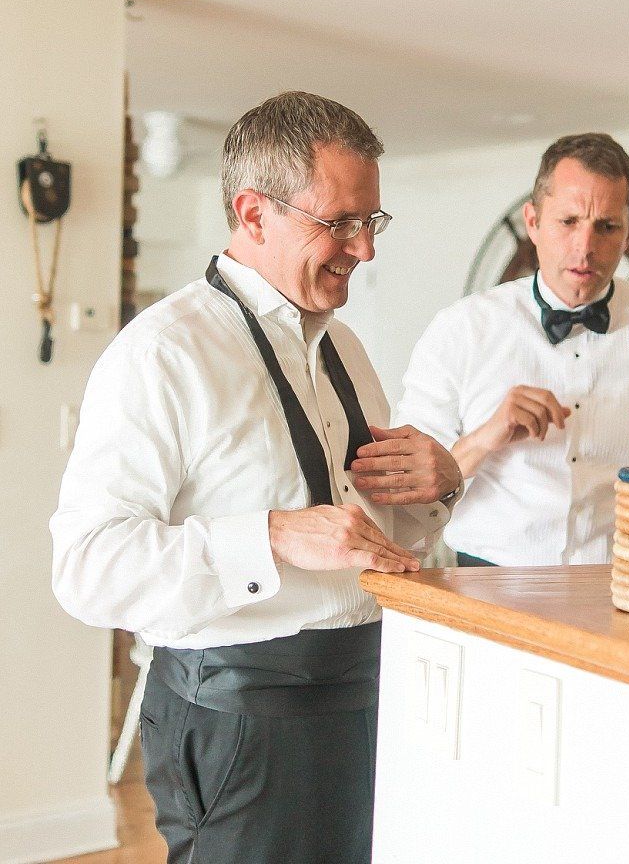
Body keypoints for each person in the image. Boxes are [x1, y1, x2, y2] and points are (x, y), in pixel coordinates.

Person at [50, 92, 463, 864]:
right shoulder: (160, 356)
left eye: (371, 221)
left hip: (368, 698)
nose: (364, 250)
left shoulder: (348, 352)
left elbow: (368, 536)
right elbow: (86, 569)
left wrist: (437, 487)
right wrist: (269, 537)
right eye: (338, 222)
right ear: (253, 213)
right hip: (242, 723)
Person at [397, 132, 629, 568]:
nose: (585, 247)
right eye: (568, 222)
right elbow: (406, 483)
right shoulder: (460, 331)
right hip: (487, 581)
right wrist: (485, 437)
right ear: (532, 222)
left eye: (606, 227)